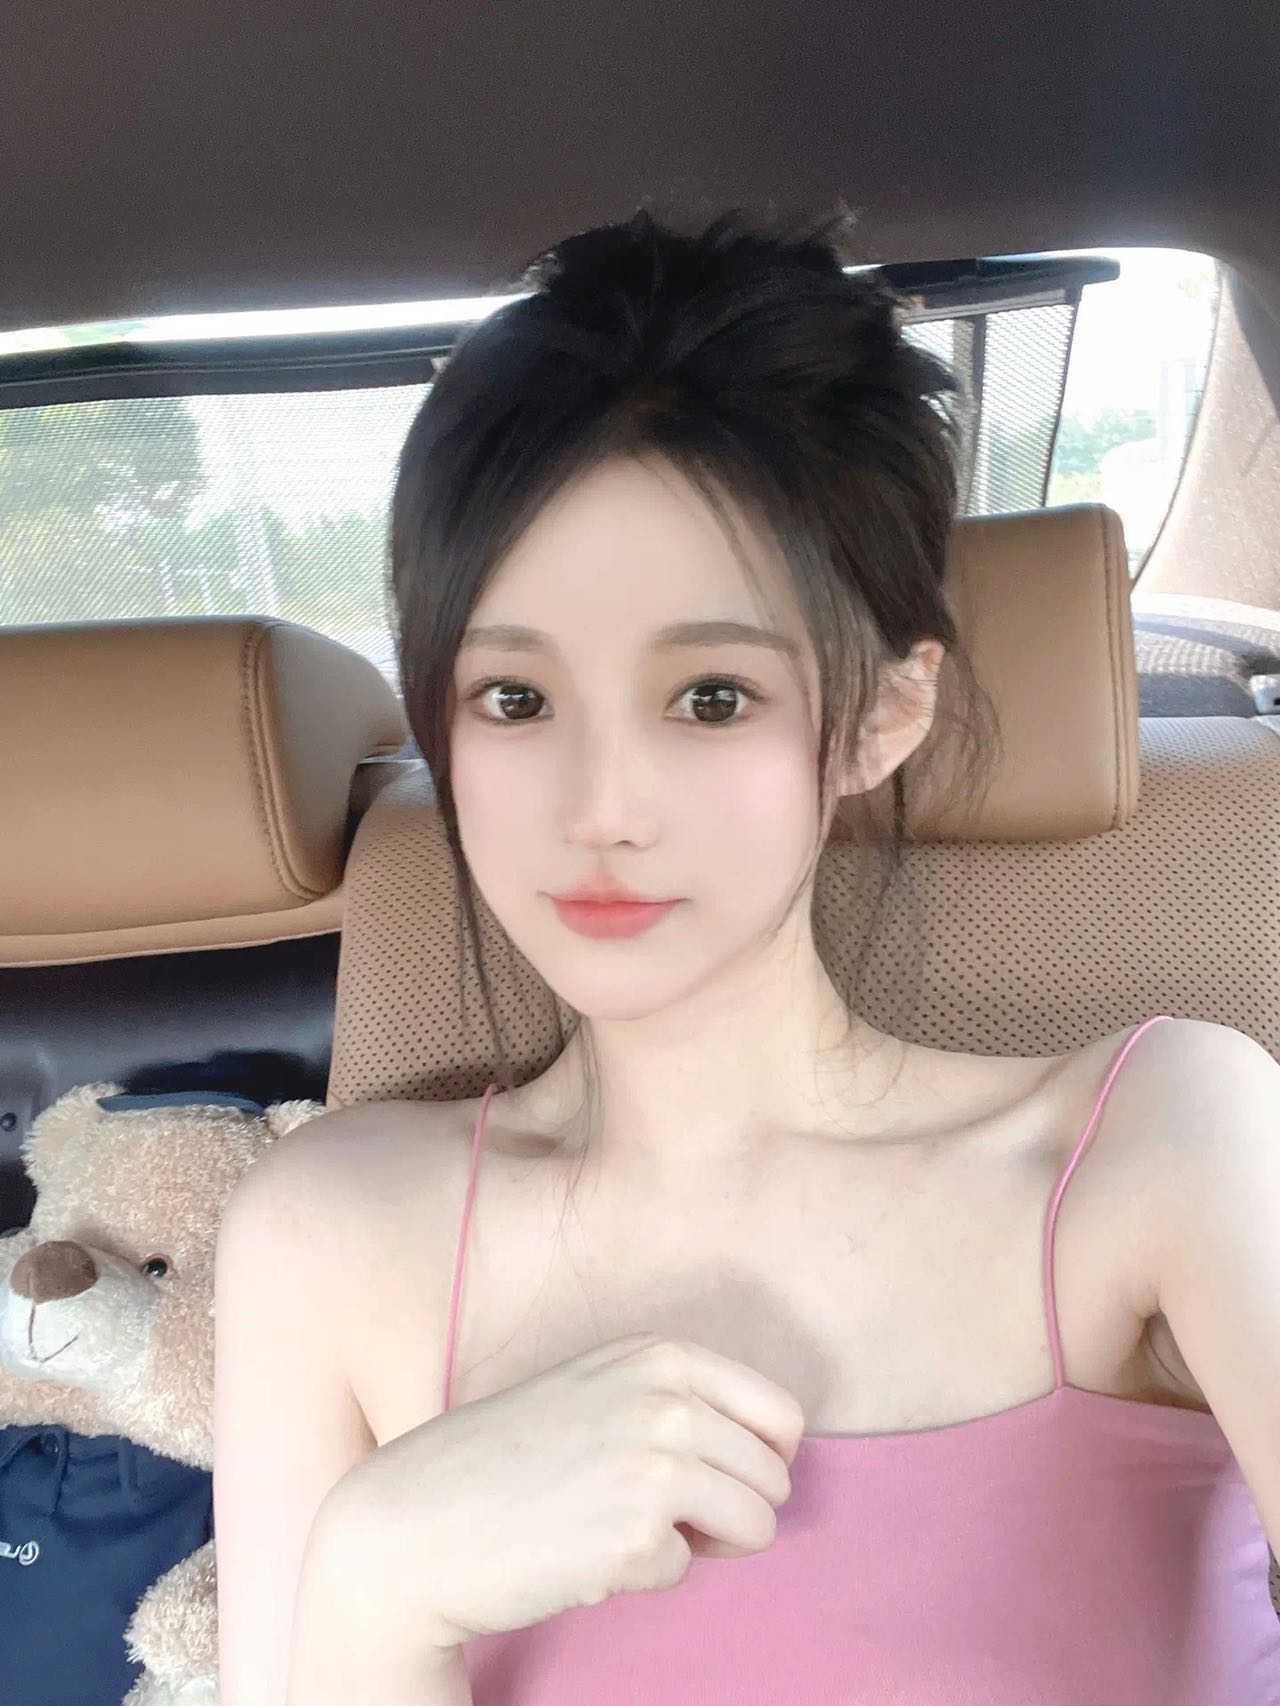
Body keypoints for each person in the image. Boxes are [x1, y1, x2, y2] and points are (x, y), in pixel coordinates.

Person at [213, 203, 1280, 1706]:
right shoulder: (326, 1238)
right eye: (515, 700)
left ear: (878, 717)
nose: (600, 808)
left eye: (711, 698)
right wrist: (378, 1580)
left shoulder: (1168, 1144)